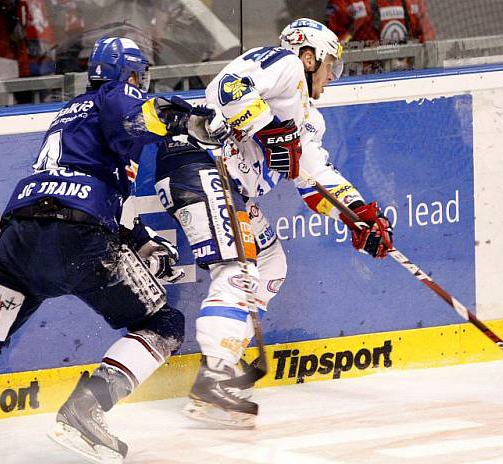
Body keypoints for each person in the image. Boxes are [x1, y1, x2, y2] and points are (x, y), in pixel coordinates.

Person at [0, 36, 229, 464]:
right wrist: (194, 121)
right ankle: (86, 408)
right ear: (128, 75)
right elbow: (143, 116)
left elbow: (89, 193)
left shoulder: (70, 117)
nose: (139, 85)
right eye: (138, 77)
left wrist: (141, 241)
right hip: (74, 235)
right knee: (163, 324)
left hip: (20, 235)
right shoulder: (117, 94)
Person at [153, 18, 393, 429]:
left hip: (228, 186)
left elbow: (316, 180)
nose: (332, 77)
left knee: (270, 264)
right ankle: (216, 376)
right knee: (239, 269)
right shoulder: (283, 64)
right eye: (329, 64)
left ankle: (221, 364)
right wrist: (271, 130)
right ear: (308, 55)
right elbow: (229, 90)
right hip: (200, 162)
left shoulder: (309, 118)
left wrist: (358, 217)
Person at [325, 0, 434, 74]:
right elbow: (330, 47)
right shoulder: (345, 2)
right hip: (361, 79)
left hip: (407, 75)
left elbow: (428, 41)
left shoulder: (412, 2)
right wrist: (353, 31)